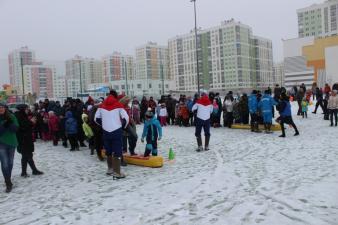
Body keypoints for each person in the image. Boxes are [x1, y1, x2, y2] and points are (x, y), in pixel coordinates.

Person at [95, 95, 129, 179]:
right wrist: (122, 126)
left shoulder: (101, 106)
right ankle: (117, 172)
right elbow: (126, 118)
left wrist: (103, 124)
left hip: (106, 131)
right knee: (117, 150)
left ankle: (110, 169)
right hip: (116, 130)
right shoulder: (119, 105)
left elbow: (96, 119)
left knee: (108, 150)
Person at [15, 104, 44, 177]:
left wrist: (31, 122)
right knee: (26, 155)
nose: (28, 110)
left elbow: (26, 125)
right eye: (26, 109)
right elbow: (22, 127)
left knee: (27, 155)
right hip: (23, 139)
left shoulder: (22, 115)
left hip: (26, 139)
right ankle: (27, 172)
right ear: (22, 109)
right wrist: (31, 122)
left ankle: (31, 171)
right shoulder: (19, 116)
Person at [0, 103, 18, 193]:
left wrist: (9, 122)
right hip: (1, 143)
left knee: (10, 163)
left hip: (12, 143)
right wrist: (5, 124)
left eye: (2, 107)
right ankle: (8, 183)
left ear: (5, 108)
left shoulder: (11, 116)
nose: (1, 109)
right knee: (5, 164)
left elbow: (15, 129)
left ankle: (8, 179)